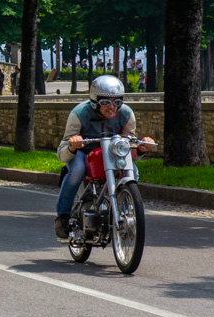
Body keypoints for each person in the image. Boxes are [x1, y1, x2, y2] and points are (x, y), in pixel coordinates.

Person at [54, 75, 153, 238]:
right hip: (83, 152)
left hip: (112, 152)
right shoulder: (79, 114)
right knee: (77, 170)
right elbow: (62, 152)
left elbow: (130, 149)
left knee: (132, 171)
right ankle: (63, 216)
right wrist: (73, 144)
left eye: (117, 102)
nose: (112, 107)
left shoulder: (127, 114)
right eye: (106, 102)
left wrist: (142, 148)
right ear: (95, 102)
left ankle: (124, 208)